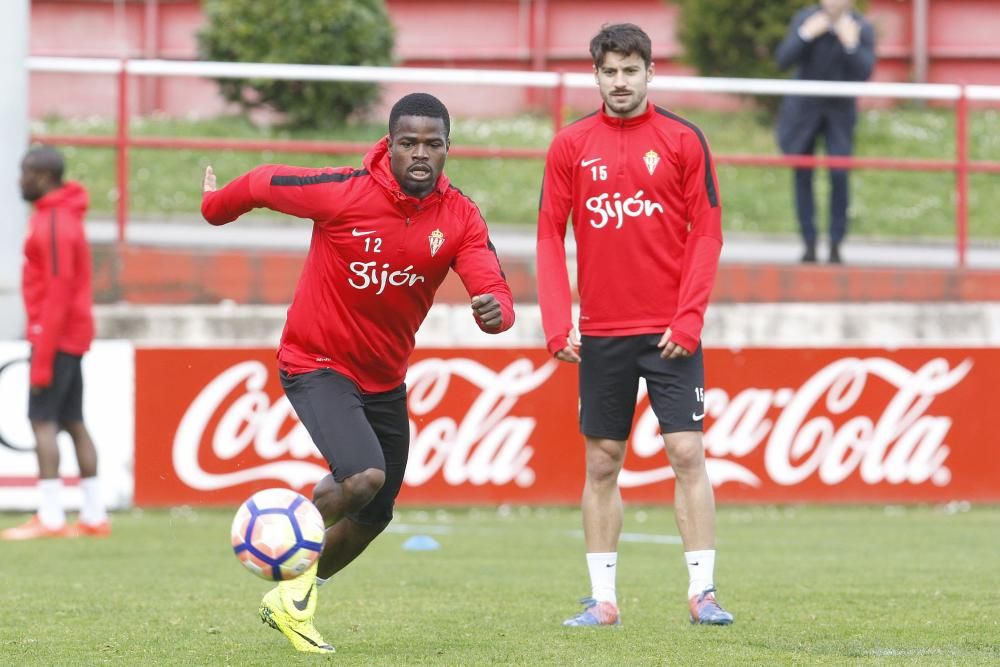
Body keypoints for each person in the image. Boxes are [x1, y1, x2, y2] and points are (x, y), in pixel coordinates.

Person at [201, 92, 515, 654]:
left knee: (377, 512)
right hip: (315, 362)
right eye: (408, 142)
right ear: (389, 144)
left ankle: (295, 597)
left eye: (432, 144)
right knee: (362, 476)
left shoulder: (460, 216)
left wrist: (497, 309)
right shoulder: (345, 191)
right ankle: (273, 534)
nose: (420, 153)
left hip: (383, 379)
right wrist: (214, 206)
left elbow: (489, 280)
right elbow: (264, 182)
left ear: (447, 148)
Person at [536, 23, 733, 627]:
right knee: (602, 461)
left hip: (671, 330)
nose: (620, 82)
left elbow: (707, 233)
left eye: (630, 70)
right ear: (596, 76)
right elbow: (548, 234)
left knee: (686, 451)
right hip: (601, 332)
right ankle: (603, 601)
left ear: (650, 72)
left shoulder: (682, 139)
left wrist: (690, 317)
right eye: (610, 71)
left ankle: (703, 592)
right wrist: (555, 322)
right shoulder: (571, 145)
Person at [1, 147, 110, 541]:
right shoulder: (62, 216)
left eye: (25, 172)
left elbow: (58, 292)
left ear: (44, 177)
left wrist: (42, 355)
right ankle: (94, 515)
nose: (20, 180)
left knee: (42, 420)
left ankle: (50, 516)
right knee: (72, 420)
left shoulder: (53, 221)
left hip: (56, 336)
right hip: (68, 335)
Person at [775, 0, 876, 263]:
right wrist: (806, 35)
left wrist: (851, 44)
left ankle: (835, 244)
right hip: (804, 112)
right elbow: (783, 59)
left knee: (839, 174)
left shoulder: (861, 26)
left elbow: (865, 72)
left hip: (840, 113)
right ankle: (808, 243)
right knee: (802, 174)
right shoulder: (805, 19)